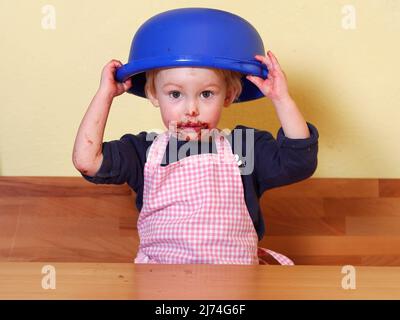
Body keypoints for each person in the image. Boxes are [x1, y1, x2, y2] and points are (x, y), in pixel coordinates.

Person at [72, 8, 318, 265]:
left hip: (234, 287)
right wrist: (105, 95)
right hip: (161, 286)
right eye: (175, 94)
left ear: (230, 95)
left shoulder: (245, 147)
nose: (191, 109)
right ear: (154, 94)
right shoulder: (143, 151)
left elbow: (300, 162)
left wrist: (281, 99)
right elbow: (86, 161)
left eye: (207, 94)